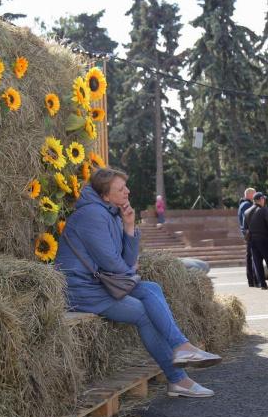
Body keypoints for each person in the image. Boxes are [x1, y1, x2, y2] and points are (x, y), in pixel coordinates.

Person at [55, 168, 221, 398]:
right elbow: (113, 263)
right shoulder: (92, 215)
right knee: (143, 312)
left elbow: (126, 260)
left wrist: (130, 227)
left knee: (151, 288)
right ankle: (178, 375)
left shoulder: (111, 213)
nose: (127, 191)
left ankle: (181, 353)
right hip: (81, 289)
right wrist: (129, 272)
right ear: (105, 195)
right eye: (120, 189)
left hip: (100, 284)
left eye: (126, 186)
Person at [244, 192, 268, 291]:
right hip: (264, 239)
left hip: (252, 241)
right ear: (260, 199)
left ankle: (262, 284)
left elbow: (245, 228)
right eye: (264, 199)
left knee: (257, 262)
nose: (264, 201)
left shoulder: (246, 212)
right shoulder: (263, 210)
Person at [238, 188, 258, 287]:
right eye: (255, 194)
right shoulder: (247, 205)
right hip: (250, 234)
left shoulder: (244, 204)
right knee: (251, 257)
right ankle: (253, 280)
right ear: (250, 195)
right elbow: (248, 221)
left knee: (251, 257)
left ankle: (253, 280)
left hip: (248, 234)